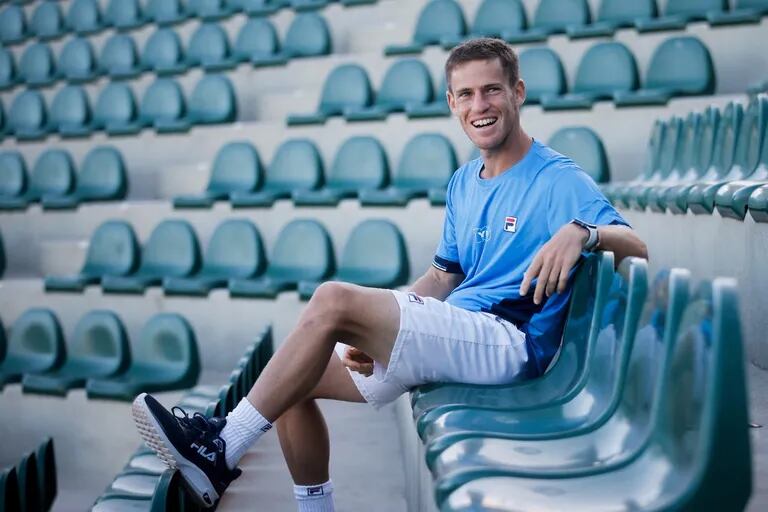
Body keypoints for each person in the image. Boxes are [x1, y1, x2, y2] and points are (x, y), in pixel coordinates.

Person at [131, 38, 648, 510]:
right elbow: (443, 277)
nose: (479, 106)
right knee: (293, 377)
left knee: (333, 300)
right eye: (465, 95)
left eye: (492, 90)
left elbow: (637, 248)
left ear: (518, 93)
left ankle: (220, 448)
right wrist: (379, 324)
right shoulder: (465, 181)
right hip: (457, 329)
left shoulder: (559, 179)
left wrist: (584, 231)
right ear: (451, 103)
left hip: (512, 343)